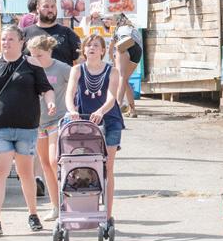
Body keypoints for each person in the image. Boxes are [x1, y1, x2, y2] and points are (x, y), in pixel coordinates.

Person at [0, 25, 56, 236]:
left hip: (26, 127)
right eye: (3, 39)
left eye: (11, 39)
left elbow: (46, 89)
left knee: (25, 172)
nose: (6, 43)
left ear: (21, 42)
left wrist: (50, 102)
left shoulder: (32, 64)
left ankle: (33, 214)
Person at [66, 34, 125, 221]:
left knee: (107, 166)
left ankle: (107, 214)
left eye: (96, 45)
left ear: (102, 51)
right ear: (84, 50)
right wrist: (71, 110)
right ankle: (83, 206)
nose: (91, 48)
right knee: (82, 164)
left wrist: (100, 111)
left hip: (109, 121)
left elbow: (111, 97)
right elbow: (69, 93)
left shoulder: (112, 71)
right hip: (84, 122)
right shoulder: (77, 70)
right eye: (88, 45)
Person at [27, 34, 70, 221]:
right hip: (38, 123)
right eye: (32, 55)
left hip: (58, 120)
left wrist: (72, 106)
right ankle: (55, 206)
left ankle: (67, 201)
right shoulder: (29, 68)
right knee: (44, 164)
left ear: (50, 51)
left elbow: (77, 82)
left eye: (40, 55)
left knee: (54, 161)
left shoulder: (61, 68)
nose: (36, 59)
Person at [23, 0, 82, 66]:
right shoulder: (25, 33)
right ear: (38, 8)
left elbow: (80, 61)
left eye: (53, 6)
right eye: (46, 6)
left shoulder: (68, 33)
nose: (50, 10)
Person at [111, 14, 143, 118]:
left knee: (121, 76)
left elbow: (111, 48)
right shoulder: (132, 28)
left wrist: (113, 60)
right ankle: (132, 110)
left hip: (124, 44)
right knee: (124, 80)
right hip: (137, 50)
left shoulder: (117, 29)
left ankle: (117, 106)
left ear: (117, 20)